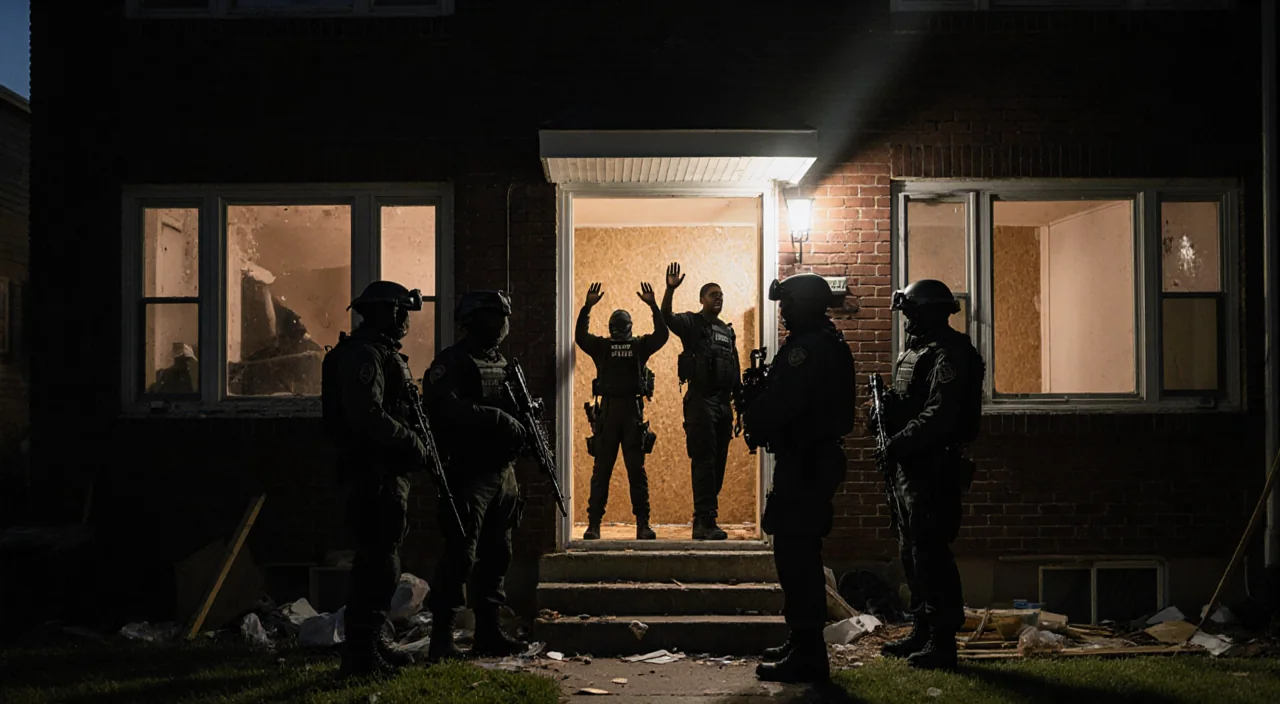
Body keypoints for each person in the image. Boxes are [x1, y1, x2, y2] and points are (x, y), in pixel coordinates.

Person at [742, 273, 856, 684]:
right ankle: (802, 640)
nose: (783, 309)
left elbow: (782, 404)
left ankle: (809, 653)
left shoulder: (806, 351)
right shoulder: (820, 343)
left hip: (807, 462)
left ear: (804, 303)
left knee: (797, 557)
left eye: (787, 302)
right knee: (796, 554)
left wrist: (753, 409)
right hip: (809, 460)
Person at [321, 280, 430, 678]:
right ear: (383, 312)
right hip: (372, 474)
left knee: (382, 561)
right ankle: (360, 656)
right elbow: (367, 415)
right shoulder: (364, 354)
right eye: (400, 311)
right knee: (377, 565)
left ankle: (371, 643)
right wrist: (412, 443)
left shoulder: (381, 352)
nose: (405, 320)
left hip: (384, 473)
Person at [875, 279, 984, 670]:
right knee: (913, 552)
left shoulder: (951, 354)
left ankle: (942, 640)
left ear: (925, 312)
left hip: (934, 467)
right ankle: (922, 629)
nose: (905, 321)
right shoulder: (917, 352)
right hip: (911, 467)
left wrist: (898, 442)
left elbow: (941, 416)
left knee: (932, 554)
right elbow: (910, 404)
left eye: (909, 313)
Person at [420, 290, 530, 663]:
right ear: (475, 320)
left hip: (502, 472)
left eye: (505, 317)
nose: (502, 325)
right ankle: (442, 638)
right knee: (461, 555)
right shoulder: (452, 362)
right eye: (495, 318)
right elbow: (442, 408)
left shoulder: (502, 364)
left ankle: (488, 631)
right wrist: (495, 418)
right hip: (468, 471)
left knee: (498, 553)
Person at [576, 281, 670, 540]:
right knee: (625, 472)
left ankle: (600, 524)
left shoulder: (605, 347)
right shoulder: (638, 346)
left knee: (609, 471)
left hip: (615, 413)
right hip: (625, 413)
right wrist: (651, 306)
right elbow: (662, 335)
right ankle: (630, 524)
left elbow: (581, 338)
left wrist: (587, 308)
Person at [661, 262, 741, 540]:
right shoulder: (692, 323)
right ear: (701, 299)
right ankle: (704, 520)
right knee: (704, 460)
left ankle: (707, 515)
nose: (718, 298)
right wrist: (669, 289)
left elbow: (735, 366)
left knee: (718, 462)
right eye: (713, 295)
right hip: (700, 401)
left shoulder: (726, 331)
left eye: (721, 295)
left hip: (722, 403)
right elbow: (667, 317)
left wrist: (739, 404)